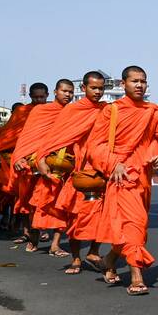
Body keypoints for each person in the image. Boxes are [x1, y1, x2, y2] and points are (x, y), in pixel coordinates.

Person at [87, 66, 158, 295]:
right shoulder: (112, 111)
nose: (139, 85)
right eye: (134, 81)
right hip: (120, 177)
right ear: (123, 84)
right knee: (133, 225)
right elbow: (95, 145)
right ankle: (136, 275)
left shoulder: (152, 111)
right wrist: (114, 163)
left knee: (135, 226)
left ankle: (110, 261)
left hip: (143, 177)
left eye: (143, 81)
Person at [34, 72, 109, 275]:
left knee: (101, 215)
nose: (98, 92)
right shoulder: (73, 110)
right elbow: (55, 137)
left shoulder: (107, 110)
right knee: (75, 215)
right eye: (94, 88)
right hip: (79, 169)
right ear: (83, 88)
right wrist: (41, 158)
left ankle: (94, 251)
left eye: (101, 88)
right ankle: (76, 259)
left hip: (99, 168)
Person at [12, 79, 73, 254]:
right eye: (64, 91)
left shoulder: (73, 112)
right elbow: (28, 136)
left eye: (70, 92)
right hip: (37, 164)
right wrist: (19, 156)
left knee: (62, 205)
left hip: (62, 164)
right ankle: (34, 235)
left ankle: (55, 244)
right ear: (55, 92)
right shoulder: (41, 111)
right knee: (37, 202)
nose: (67, 95)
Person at [0, 84, 48, 238]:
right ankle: (28, 229)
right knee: (24, 194)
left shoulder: (52, 111)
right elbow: (9, 133)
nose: (39, 100)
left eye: (42, 97)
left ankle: (39, 227)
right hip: (22, 157)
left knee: (42, 194)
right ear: (30, 96)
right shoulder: (22, 111)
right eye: (36, 97)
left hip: (44, 157)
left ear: (48, 95)